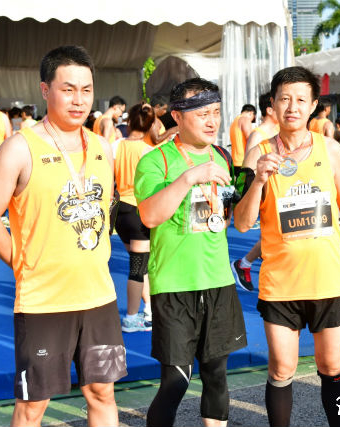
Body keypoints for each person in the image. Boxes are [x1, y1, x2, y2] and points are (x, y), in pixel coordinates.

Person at [0, 45, 126, 427]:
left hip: (99, 298)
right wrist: (23, 264)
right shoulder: (19, 148)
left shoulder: (102, 148)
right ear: (46, 90)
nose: (79, 100)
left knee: (102, 393)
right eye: (68, 89)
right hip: (43, 302)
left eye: (86, 90)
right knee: (33, 406)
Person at [234, 66, 340, 427]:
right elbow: (241, 222)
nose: (292, 107)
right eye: (285, 99)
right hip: (281, 284)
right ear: (272, 104)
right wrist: (258, 180)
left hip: (329, 280)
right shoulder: (255, 154)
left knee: (332, 366)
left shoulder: (331, 149)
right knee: (281, 368)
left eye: (301, 100)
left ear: (313, 105)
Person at [135, 78, 246, 427]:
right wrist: (188, 178)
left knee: (217, 376)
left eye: (216, 112)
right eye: (202, 114)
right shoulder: (156, 161)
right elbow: (149, 216)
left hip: (218, 280)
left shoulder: (222, 157)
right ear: (177, 116)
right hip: (174, 284)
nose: (212, 121)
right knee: (176, 381)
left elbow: (228, 218)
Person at [114, 103, 157, 333]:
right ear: (150, 125)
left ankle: (148, 310)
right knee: (138, 268)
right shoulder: (148, 151)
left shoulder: (116, 145)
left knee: (141, 265)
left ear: (129, 121)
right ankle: (131, 317)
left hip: (120, 211)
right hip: (138, 211)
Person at [232, 91, 280, 292]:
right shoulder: (258, 134)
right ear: (269, 109)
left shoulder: (280, 131)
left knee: (277, 231)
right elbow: (248, 168)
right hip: (261, 189)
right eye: (281, 102)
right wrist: (253, 192)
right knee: (274, 231)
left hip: (279, 189)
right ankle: (244, 263)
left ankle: (246, 263)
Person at [230, 103, 256, 172]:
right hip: (244, 162)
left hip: (235, 162)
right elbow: (251, 140)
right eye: (253, 119)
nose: (251, 122)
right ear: (251, 113)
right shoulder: (245, 119)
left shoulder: (235, 121)